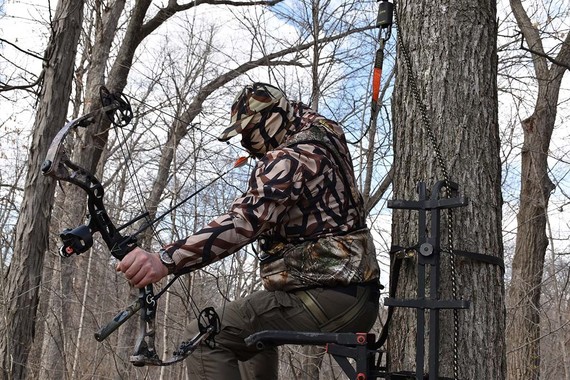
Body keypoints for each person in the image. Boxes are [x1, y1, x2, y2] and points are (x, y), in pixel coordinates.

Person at [117, 82, 381, 379]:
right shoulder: (323, 132)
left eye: (249, 133)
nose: (246, 145)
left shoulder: (290, 158)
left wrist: (165, 259)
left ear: (274, 118)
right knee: (249, 337)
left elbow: (243, 223)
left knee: (206, 336)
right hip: (353, 295)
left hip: (330, 297)